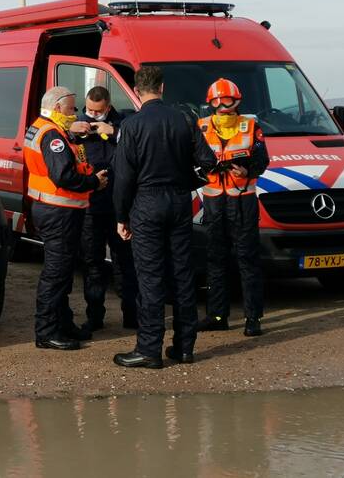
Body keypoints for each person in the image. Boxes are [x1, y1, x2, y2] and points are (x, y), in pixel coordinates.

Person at [112, 65, 217, 368]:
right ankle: (185, 347)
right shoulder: (185, 119)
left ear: (136, 91)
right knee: (183, 276)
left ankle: (149, 348)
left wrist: (122, 216)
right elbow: (208, 163)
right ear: (162, 88)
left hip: (146, 203)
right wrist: (187, 183)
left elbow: (123, 177)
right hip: (179, 201)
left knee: (150, 278)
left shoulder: (131, 125)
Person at [24, 86, 108, 351]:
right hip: (58, 210)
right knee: (56, 274)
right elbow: (64, 176)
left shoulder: (47, 129)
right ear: (58, 108)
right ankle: (47, 331)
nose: (74, 113)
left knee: (62, 272)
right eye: (71, 109)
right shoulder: (53, 136)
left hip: (55, 209)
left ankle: (63, 323)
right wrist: (93, 182)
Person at [196, 79, 269, 337]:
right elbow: (190, 160)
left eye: (228, 101)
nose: (224, 106)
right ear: (210, 103)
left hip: (243, 201)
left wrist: (247, 170)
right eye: (218, 101)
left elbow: (263, 159)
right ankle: (217, 315)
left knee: (248, 259)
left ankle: (253, 318)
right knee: (215, 259)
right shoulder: (201, 127)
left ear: (238, 101)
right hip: (214, 202)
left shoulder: (251, 126)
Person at [74, 86, 137, 331]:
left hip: (119, 205)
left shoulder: (124, 122)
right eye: (89, 109)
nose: (92, 114)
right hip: (91, 205)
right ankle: (94, 317)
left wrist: (115, 132)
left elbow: (136, 143)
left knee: (125, 263)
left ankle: (131, 315)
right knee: (92, 263)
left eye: (97, 111)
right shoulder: (78, 124)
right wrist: (73, 130)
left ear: (108, 107)